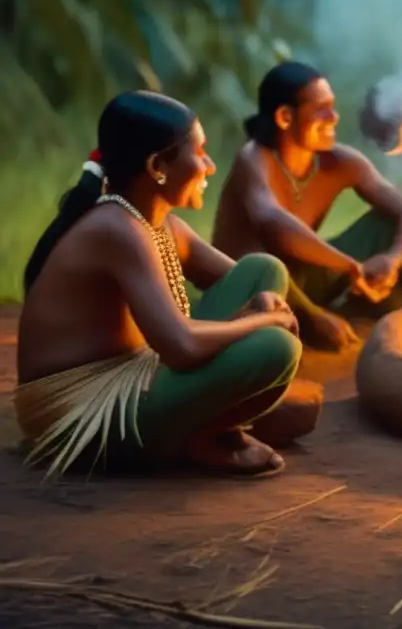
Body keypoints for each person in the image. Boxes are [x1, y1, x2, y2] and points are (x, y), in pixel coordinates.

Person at [16, 91, 320, 480]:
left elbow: (246, 283)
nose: (210, 166)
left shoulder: (160, 225)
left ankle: (202, 425)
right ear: (158, 165)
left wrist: (266, 305)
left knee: (264, 271)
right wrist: (259, 322)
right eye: (200, 152)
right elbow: (182, 346)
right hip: (84, 410)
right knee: (275, 347)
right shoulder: (116, 228)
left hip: (140, 369)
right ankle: (202, 436)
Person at [212, 62, 402, 350]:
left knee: (386, 223)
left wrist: (393, 260)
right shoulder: (253, 160)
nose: (334, 117)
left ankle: (356, 304)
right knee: (267, 269)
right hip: (254, 291)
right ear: (285, 117)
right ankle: (307, 321)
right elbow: (273, 224)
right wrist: (345, 274)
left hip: (305, 278)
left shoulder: (340, 162)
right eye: (321, 109)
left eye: (333, 106)